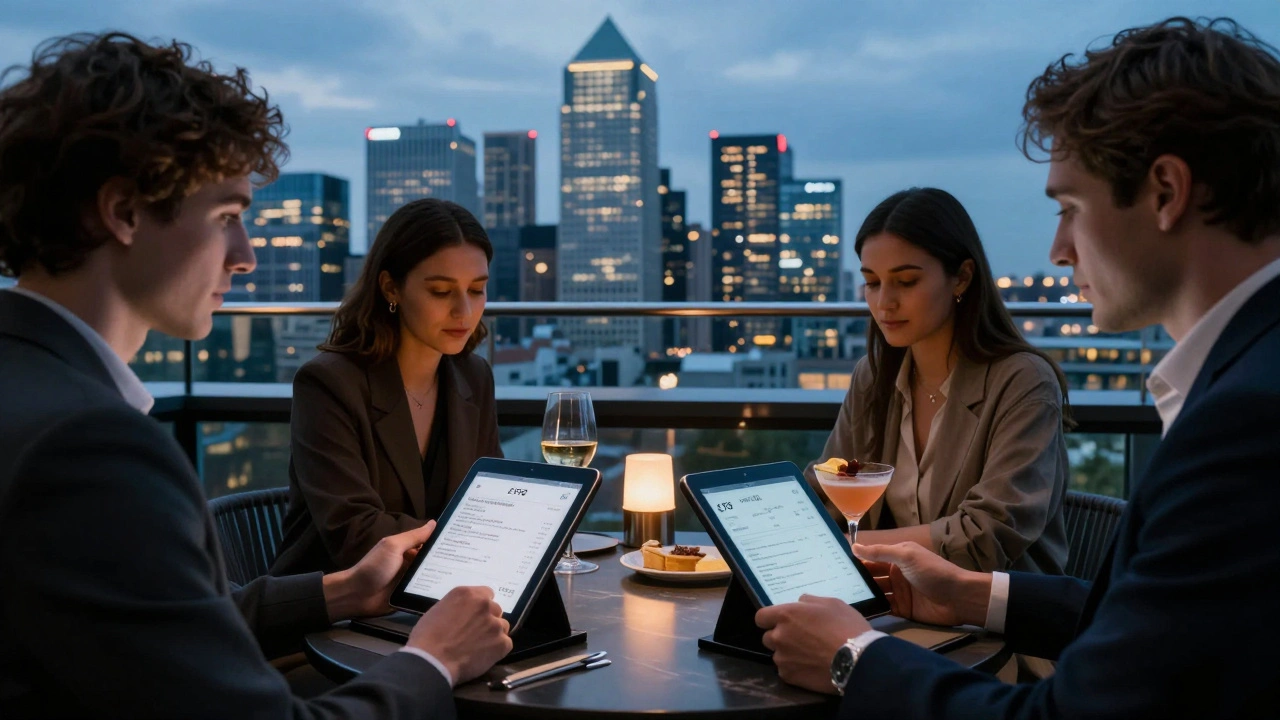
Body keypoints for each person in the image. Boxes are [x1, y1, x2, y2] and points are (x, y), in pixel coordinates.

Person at [758, 16, 1280, 718]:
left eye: (1069, 207)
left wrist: (855, 659)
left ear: (1165, 191)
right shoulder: (1242, 381)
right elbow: (1153, 634)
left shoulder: (1246, 422)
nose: (1059, 249)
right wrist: (969, 589)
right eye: (872, 280)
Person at [0, 32, 511, 718]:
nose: (245, 256)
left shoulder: (31, 394)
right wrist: (433, 660)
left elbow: (165, 618)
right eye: (228, 217)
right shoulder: (91, 449)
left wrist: (346, 589)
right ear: (123, 212)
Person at [807, 188, 1071, 573]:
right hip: (893, 602)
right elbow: (830, 491)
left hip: (995, 616)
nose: (884, 303)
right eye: (873, 282)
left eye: (907, 281)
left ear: (961, 277)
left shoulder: (1022, 382)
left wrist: (851, 547)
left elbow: (986, 536)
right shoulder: (874, 376)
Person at [272, 198, 502, 575]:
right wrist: (471, 543)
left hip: (440, 595)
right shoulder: (329, 383)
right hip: (334, 610)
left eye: (476, 290)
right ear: (391, 288)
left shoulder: (473, 376)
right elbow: (356, 535)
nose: (464, 311)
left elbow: (490, 502)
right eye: (441, 292)